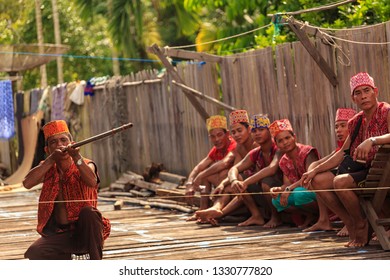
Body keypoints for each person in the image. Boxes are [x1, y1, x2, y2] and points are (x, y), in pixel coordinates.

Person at [302, 72, 390, 247]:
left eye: (367, 90)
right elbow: (342, 153)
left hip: (385, 171)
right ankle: (354, 223)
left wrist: (372, 141)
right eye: (358, 93)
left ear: (375, 91)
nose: (363, 96)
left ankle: (361, 225)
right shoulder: (355, 122)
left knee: (340, 182)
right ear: (353, 98)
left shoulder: (386, 111)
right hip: (366, 172)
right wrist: (314, 170)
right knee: (318, 180)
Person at [23, 120, 110, 260]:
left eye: (64, 140)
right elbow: (27, 183)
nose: (60, 145)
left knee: (90, 213)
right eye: (53, 142)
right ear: (47, 150)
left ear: (72, 143)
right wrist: (51, 160)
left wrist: (76, 157)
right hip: (60, 234)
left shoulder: (85, 163)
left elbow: (92, 181)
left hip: (86, 233)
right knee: (34, 252)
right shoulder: (47, 166)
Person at [195, 114, 283, 227]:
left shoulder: (277, 147)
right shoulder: (253, 150)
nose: (257, 133)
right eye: (255, 131)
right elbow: (234, 168)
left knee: (263, 182)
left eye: (261, 130)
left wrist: (244, 182)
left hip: (278, 188)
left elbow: (271, 169)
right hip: (257, 189)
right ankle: (220, 211)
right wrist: (232, 181)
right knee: (235, 181)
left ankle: (275, 217)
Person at [193, 109, 257, 223]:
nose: (236, 135)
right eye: (234, 132)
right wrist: (222, 184)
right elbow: (235, 168)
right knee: (228, 184)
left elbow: (226, 163)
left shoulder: (255, 144)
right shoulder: (239, 147)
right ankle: (213, 210)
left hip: (258, 184)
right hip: (243, 183)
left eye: (239, 130)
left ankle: (218, 213)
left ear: (249, 129)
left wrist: (201, 176)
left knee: (234, 182)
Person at [303, 107, 356, 233]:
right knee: (317, 180)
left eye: (343, 125)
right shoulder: (340, 148)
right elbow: (318, 162)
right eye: (336, 127)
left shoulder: (358, 140)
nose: (339, 130)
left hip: (358, 178)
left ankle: (354, 222)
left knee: (323, 180)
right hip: (345, 179)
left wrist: (313, 172)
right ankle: (347, 221)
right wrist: (311, 172)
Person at [269, 119, 320, 229]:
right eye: (280, 141)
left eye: (287, 138)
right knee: (276, 200)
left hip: (317, 191)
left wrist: (288, 189)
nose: (285, 142)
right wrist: (279, 189)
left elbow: (309, 178)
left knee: (298, 194)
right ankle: (309, 215)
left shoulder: (307, 151)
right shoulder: (283, 161)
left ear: (294, 137)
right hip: (298, 191)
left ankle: (319, 214)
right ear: (276, 145)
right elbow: (286, 184)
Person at [185, 115, 236, 218]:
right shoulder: (215, 149)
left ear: (227, 134)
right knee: (206, 174)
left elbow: (224, 163)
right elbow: (199, 167)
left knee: (222, 173)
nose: (216, 139)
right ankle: (203, 209)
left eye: (219, 135)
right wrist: (189, 184)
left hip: (234, 184)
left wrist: (200, 176)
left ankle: (216, 209)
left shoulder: (234, 144)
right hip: (223, 187)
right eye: (213, 136)